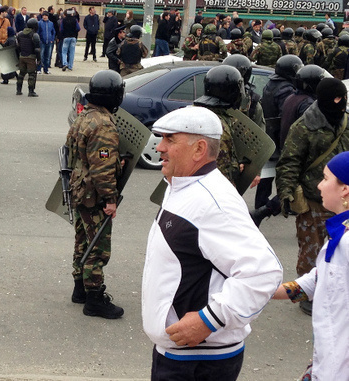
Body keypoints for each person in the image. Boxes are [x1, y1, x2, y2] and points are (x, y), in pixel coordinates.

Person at [142, 105, 283, 381]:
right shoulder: (183, 184)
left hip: (199, 362)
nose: (159, 147)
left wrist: (209, 320)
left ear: (199, 149)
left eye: (170, 139)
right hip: (181, 356)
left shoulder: (213, 202)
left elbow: (263, 272)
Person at [273, 151, 349, 380]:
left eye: (325, 179)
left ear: (344, 189)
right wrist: (264, 290)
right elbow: (321, 278)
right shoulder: (339, 232)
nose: (319, 186)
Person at [276, 78, 349, 315]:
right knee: (311, 247)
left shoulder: (346, 121)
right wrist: (287, 195)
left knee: (338, 249)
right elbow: (289, 162)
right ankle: (310, 296)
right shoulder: (304, 126)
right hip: (312, 198)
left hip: (344, 198)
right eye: (336, 99)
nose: (340, 103)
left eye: (343, 98)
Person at [66, 70, 125, 319]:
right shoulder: (104, 125)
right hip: (94, 194)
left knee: (82, 240)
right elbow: (102, 169)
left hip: (80, 188)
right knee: (97, 246)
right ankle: (94, 298)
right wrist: (110, 200)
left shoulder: (84, 117)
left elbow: (72, 152)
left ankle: (80, 288)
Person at [250, 55, 303, 226]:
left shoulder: (272, 83)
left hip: (271, 133)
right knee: (283, 172)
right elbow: (287, 113)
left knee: (269, 173)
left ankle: (264, 203)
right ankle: (278, 204)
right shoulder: (285, 89)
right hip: (280, 135)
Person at [15, 18, 41, 97]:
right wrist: (39, 59)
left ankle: (18, 90)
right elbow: (37, 49)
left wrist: (18, 57)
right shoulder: (34, 35)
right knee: (32, 75)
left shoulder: (20, 34)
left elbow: (17, 47)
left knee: (21, 74)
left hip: (22, 56)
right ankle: (31, 91)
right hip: (31, 57)